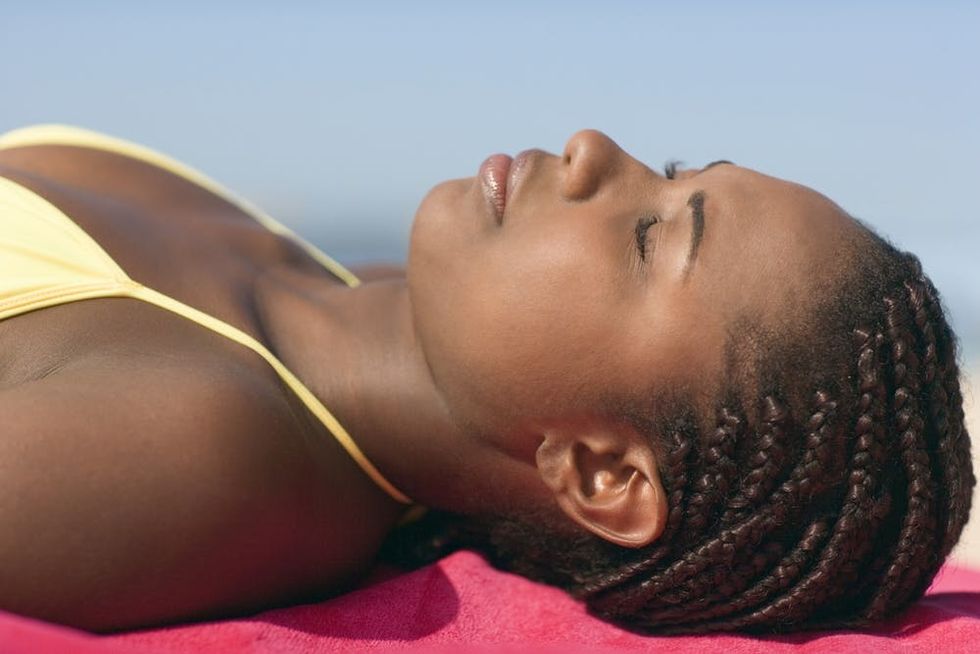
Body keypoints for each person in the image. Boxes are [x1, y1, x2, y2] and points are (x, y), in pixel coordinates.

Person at [0, 125, 972, 635]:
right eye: (672, 170)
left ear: (601, 473)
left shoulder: (202, 454)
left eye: (649, 236)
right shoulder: (334, 289)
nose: (594, 148)